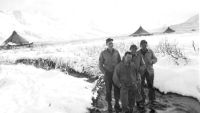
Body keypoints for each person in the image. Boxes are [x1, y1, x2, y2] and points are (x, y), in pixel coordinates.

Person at [98, 38, 122, 112]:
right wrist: (105, 73)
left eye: (111, 43)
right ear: (106, 45)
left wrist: (119, 72)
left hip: (116, 74)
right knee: (108, 90)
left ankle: (117, 104)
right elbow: (100, 65)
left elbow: (120, 62)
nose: (111, 45)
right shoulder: (103, 53)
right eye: (109, 43)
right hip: (108, 74)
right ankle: (109, 105)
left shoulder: (116, 52)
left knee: (117, 89)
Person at [137, 40, 157, 107]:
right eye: (143, 45)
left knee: (150, 86)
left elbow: (155, 59)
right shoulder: (138, 53)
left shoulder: (150, 52)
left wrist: (152, 61)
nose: (144, 46)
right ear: (140, 46)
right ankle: (142, 99)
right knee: (141, 86)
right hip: (141, 72)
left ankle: (152, 99)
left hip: (149, 72)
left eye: (145, 45)